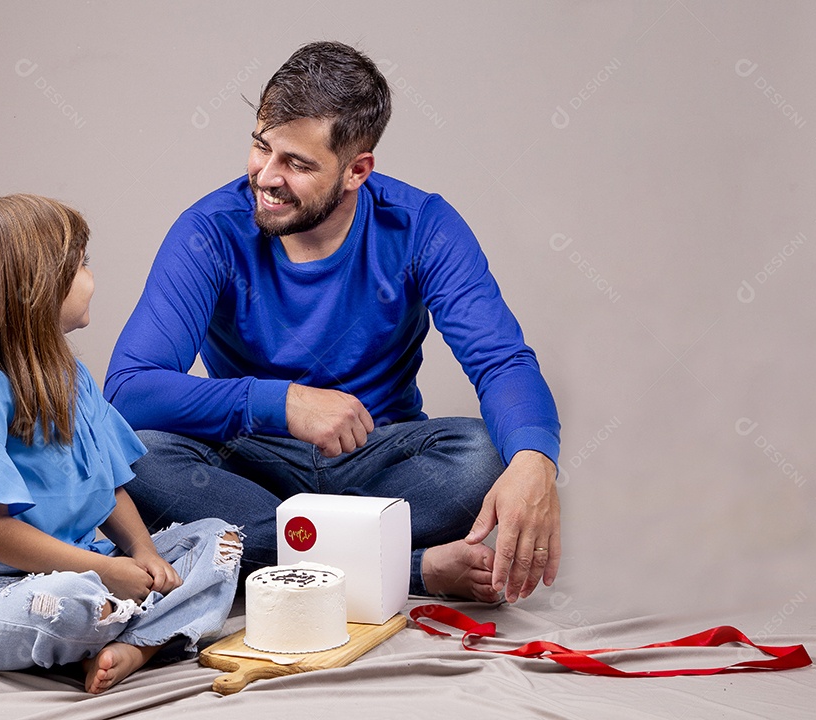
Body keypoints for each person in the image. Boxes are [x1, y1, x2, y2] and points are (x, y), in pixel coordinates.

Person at [106, 41, 561, 604]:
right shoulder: (208, 231)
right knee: (133, 455)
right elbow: (128, 389)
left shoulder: (422, 226)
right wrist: (282, 403)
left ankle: (277, 559)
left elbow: (502, 361)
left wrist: (536, 460)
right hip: (250, 465)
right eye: (261, 147)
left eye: (297, 164)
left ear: (356, 171)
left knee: (490, 455)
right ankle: (408, 569)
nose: (266, 177)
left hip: (379, 465)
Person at [0, 195, 241, 694]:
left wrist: (143, 550)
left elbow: (109, 488)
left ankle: (136, 644)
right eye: (81, 264)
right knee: (71, 600)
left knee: (219, 540)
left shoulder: (77, 379)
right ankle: (150, 630)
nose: (91, 276)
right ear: (35, 288)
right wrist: (107, 572)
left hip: (94, 562)